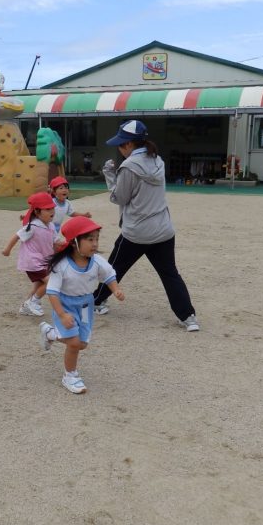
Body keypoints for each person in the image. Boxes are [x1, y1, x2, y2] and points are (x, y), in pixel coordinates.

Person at [92, 119, 200, 332]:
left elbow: (119, 198)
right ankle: (188, 317)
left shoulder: (129, 166)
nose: (120, 149)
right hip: (163, 229)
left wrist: (110, 176)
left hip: (137, 232)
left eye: (121, 144)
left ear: (130, 145)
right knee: (170, 274)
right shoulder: (158, 160)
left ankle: (96, 301)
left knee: (114, 267)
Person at [39, 217, 124, 394]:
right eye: (90, 239)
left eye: (96, 238)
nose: (95, 243)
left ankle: (50, 334)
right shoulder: (61, 265)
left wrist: (115, 289)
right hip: (66, 305)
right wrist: (62, 314)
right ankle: (70, 376)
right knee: (74, 344)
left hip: (86, 306)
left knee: (82, 343)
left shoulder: (97, 261)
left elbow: (109, 275)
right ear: (74, 242)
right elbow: (52, 292)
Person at [1, 192, 61, 317]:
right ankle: (33, 302)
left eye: (53, 208)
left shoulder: (50, 226)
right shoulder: (32, 226)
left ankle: (26, 306)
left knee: (39, 285)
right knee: (51, 282)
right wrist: (7, 249)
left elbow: (56, 242)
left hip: (44, 261)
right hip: (32, 261)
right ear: (37, 212)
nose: (52, 211)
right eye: (48, 209)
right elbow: (17, 236)